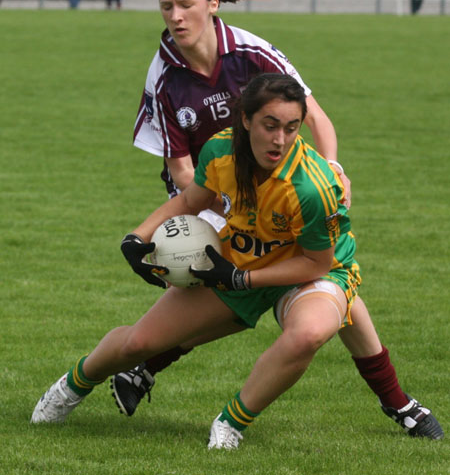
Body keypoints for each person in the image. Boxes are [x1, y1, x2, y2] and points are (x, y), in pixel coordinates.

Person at [108, 0, 443, 441]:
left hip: (281, 191)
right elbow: (180, 171)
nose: (176, 16)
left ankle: (399, 404)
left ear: (213, 2)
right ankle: (400, 404)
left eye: (185, 4)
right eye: (165, 6)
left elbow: (316, 118)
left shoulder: (252, 53)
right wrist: (228, 208)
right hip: (215, 205)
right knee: (281, 290)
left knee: (324, 280)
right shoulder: (163, 75)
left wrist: (332, 170)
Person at [30, 75, 443, 448]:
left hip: (307, 271)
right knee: (139, 342)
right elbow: (192, 200)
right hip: (236, 261)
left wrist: (243, 278)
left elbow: (317, 264)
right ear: (245, 120)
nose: (280, 139)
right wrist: (138, 237)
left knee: (308, 334)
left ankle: (230, 423)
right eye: (269, 125)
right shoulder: (219, 150)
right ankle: (71, 386)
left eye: (291, 128)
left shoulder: (314, 187)